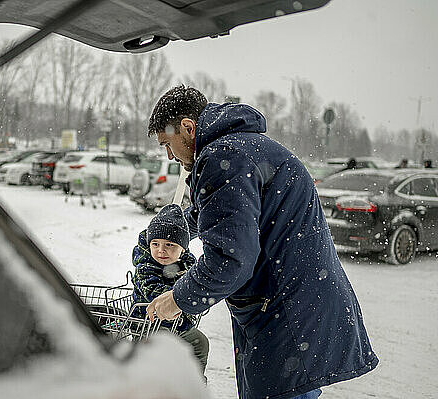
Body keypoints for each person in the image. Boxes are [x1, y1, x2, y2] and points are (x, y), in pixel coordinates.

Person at [145, 86, 378, 399]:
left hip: (285, 313)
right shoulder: (244, 147)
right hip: (296, 304)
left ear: (187, 127)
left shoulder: (221, 156)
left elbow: (230, 260)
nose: (170, 156)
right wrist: (175, 226)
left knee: (285, 391)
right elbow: (227, 215)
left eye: (168, 145)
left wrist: (177, 299)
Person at [131, 204, 209, 376]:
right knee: (164, 348)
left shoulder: (188, 265)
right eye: (155, 244)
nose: (161, 250)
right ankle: (163, 385)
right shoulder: (146, 267)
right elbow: (153, 290)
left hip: (178, 325)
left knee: (200, 342)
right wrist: (181, 297)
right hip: (148, 325)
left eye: (170, 245)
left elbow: (197, 284)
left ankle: (193, 383)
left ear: (182, 249)